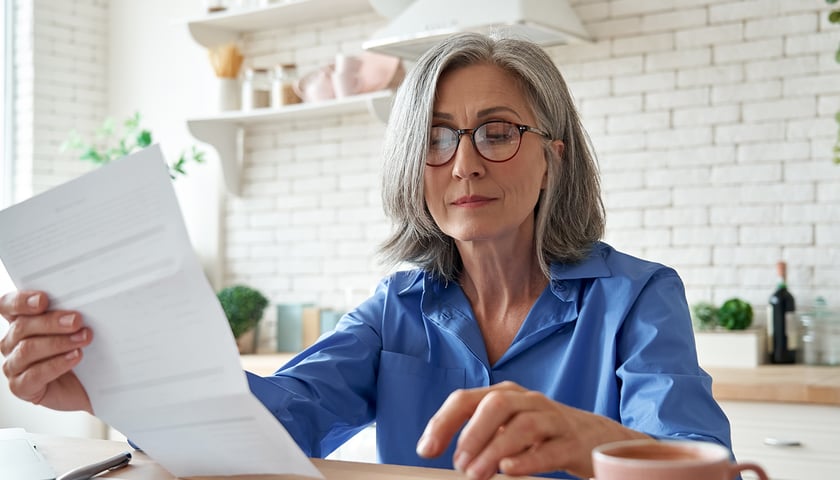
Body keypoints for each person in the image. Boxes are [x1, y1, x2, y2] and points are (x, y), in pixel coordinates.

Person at [0, 32, 733, 479]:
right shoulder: (397, 311)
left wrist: (584, 442)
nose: (464, 164)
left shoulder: (637, 298)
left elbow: (706, 469)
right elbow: (271, 423)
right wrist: (105, 382)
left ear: (552, 159)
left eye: (497, 131)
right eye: (437, 138)